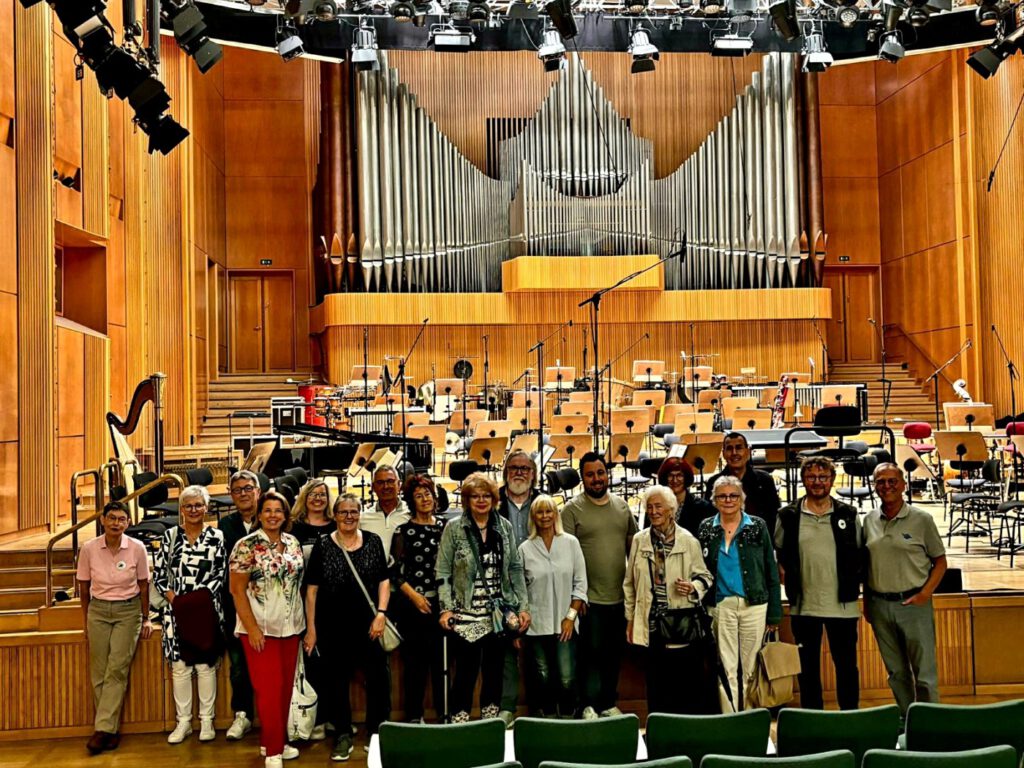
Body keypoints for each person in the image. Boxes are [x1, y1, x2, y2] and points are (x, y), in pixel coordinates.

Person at [436, 472, 530, 723]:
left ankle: (490, 723)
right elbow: (443, 571)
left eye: (486, 496)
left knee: (494, 673)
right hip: (464, 614)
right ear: (467, 500)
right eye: (475, 496)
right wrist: (446, 608)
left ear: (494, 499)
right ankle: (460, 723)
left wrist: (523, 606)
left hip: (496, 615)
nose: (481, 501)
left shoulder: (504, 527)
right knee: (465, 674)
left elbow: (515, 568)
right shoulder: (454, 528)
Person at [305, 493, 392, 761]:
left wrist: (381, 613)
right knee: (336, 682)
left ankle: (376, 732)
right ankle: (343, 733)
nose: (349, 517)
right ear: (335, 515)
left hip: (369, 625)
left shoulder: (373, 541)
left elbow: (384, 580)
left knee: (378, 679)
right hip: (332, 626)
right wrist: (311, 629)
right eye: (343, 512)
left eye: (354, 511)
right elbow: (311, 592)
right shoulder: (323, 545)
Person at [775, 456, 862, 711]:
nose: (817, 482)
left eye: (823, 477)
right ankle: (813, 719)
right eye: (811, 477)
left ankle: (850, 717)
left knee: (847, 667)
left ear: (832, 480)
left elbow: (859, 552)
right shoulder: (787, 515)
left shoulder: (848, 514)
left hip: (843, 607)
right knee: (808, 669)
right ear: (803, 480)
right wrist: (784, 573)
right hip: (804, 606)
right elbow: (778, 551)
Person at [864, 463, 947, 721]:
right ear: (874, 486)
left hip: (913, 604)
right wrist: (867, 602)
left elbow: (940, 562)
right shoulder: (868, 520)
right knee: (896, 672)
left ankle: (930, 723)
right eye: (881, 481)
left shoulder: (922, 520)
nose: (886, 486)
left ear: (903, 485)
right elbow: (866, 565)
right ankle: (907, 719)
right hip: (879, 605)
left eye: (892, 481)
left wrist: (925, 594)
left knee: (924, 673)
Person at [230, 491, 306, 768]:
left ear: (285, 515)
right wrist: (252, 629)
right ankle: (273, 752)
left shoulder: (293, 542)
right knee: (268, 689)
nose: (273, 515)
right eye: (268, 510)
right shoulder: (246, 545)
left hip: (291, 625)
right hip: (260, 627)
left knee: (284, 688)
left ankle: (274, 742)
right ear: (259, 514)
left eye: (278, 511)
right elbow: (236, 591)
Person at [624, 486, 716, 715]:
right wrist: (630, 619)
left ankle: (685, 730)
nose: (653, 512)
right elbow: (629, 584)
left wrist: (693, 587)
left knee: (684, 684)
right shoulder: (639, 540)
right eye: (650, 507)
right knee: (656, 684)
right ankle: (659, 731)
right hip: (651, 623)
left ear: (671, 510)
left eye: (659, 507)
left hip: (681, 623)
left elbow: (705, 577)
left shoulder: (688, 541)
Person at [560, 452, 638, 720]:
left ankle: (607, 702)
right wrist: (575, 597)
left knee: (613, 655)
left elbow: (633, 549)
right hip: (588, 600)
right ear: (583, 478)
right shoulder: (571, 510)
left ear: (608, 474)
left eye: (601, 473)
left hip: (618, 597)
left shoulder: (622, 507)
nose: (597, 479)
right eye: (590, 474)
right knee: (589, 656)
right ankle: (587, 705)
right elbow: (566, 558)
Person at [697, 475, 781, 711]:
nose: (728, 500)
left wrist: (775, 612)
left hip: (754, 605)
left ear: (742, 499)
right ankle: (731, 718)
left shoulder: (758, 526)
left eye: (733, 495)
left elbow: (770, 569)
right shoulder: (706, 528)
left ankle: (752, 717)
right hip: (720, 606)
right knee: (726, 667)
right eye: (722, 496)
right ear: (714, 500)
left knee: (751, 667)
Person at [77, 501, 153, 754]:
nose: (116, 523)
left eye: (121, 519)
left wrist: (146, 618)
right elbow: (84, 588)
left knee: (116, 669)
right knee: (99, 672)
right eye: (111, 518)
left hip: (127, 611)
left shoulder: (137, 548)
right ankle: (110, 730)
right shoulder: (88, 548)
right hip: (98, 611)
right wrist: (86, 620)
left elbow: (144, 585)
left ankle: (102, 729)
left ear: (128, 523)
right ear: (102, 520)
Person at [153, 485, 226, 744]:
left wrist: (200, 599)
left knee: (205, 666)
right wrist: (176, 600)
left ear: (206, 508)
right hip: (176, 610)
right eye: (188, 506)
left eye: (198, 505)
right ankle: (183, 722)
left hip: (206, 608)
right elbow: (159, 574)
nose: (193, 510)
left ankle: (207, 721)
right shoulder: (170, 536)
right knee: (180, 667)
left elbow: (220, 572)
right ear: (181, 509)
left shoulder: (216, 536)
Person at [518, 494, 587, 718]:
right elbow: (520, 588)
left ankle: (568, 718)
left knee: (567, 677)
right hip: (536, 625)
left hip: (565, 623)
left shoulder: (570, 543)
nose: (545, 516)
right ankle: (548, 719)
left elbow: (580, 583)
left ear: (556, 514)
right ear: (533, 517)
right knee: (543, 676)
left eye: (549, 511)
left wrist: (571, 617)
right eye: (540, 512)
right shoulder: (525, 549)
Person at [391, 475, 446, 723]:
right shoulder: (403, 531)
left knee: (441, 663)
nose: (425, 499)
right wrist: (415, 597)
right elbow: (394, 571)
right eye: (418, 496)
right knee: (415, 664)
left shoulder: (445, 527)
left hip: (442, 605)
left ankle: (445, 714)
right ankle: (415, 716)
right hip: (413, 605)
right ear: (411, 501)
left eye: (428, 494)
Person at [496, 449, 540, 727]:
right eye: (514, 468)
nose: (520, 473)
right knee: (506, 647)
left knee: (537, 646)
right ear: (506, 473)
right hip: (504, 583)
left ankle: (539, 708)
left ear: (533, 474)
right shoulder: (494, 501)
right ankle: (507, 707)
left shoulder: (543, 501)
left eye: (525, 468)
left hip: (539, 583)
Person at [219, 470, 261, 741]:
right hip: (236, 604)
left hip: (269, 604)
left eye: (248, 488)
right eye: (237, 490)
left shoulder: (270, 517)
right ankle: (242, 715)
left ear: (258, 491)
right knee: (238, 666)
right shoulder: (225, 525)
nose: (243, 494)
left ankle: (277, 715)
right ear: (231, 495)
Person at [706, 432, 780, 540]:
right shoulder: (714, 483)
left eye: (739, 448)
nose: (734, 453)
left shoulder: (764, 480)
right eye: (729, 449)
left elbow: (773, 517)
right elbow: (710, 518)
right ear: (723, 453)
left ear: (748, 451)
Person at [657, 457, 715, 537]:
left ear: (686, 477)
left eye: (679, 475)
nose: (675, 480)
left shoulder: (702, 507)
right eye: (670, 475)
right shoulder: (655, 505)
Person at [361, 465, 411, 554]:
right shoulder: (363, 519)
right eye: (380, 482)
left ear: (399, 485)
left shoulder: (411, 514)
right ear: (373, 487)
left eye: (390, 481)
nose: (386, 486)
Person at [291, 478, 335, 562]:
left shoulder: (336, 525)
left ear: (328, 498)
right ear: (304, 498)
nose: (317, 498)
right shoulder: (294, 526)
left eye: (322, 494)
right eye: (312, 494)